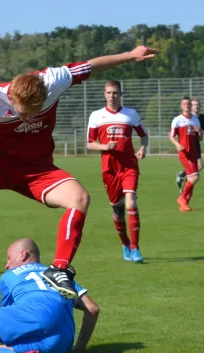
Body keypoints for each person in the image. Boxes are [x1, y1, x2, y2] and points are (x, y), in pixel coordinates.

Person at [0, 46, 158, 299]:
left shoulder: (54, 80)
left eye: (36, 113)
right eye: (24, 114)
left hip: (38, 169)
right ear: (12, 99)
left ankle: (59, 270)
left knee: (80, 198)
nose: (29, 119)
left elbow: (92, 65)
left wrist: (130, 55)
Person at [87, 80, 148, 263]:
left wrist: (142, 148)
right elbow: (90, 144)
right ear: (104, 94)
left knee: (130, 202)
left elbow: (143, 136)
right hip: (109, 169)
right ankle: (125, 244)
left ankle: (136, 248)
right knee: (118, 210)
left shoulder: (131, 114)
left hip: (129, 166)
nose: (112, 96)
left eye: (115, 92)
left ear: (121, 94)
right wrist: (105, 146)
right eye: (109, 93)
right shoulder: (97, 116)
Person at [169, 97, 203, 212]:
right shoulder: (177, 120)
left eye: (189, 104)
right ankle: (182, 198)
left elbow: (200, 138)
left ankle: (184, 205)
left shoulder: (195, 120)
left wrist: (200, 131)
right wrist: (177, 144)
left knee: (191, 179)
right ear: (181, 106)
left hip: (194, 152)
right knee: (195, 177)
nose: (187, 106)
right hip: (185, 152)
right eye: (185, 104)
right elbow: (171, 136)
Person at [175, 97, 204, 191]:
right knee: (195, 171)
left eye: (198, 105)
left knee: (197, 168)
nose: (196, 106)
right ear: (191, 106)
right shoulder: (187, 117)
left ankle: (183, 180)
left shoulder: (201, 117)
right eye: (194, 105)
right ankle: (184, 188)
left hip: (196, 145)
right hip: (187, 147)